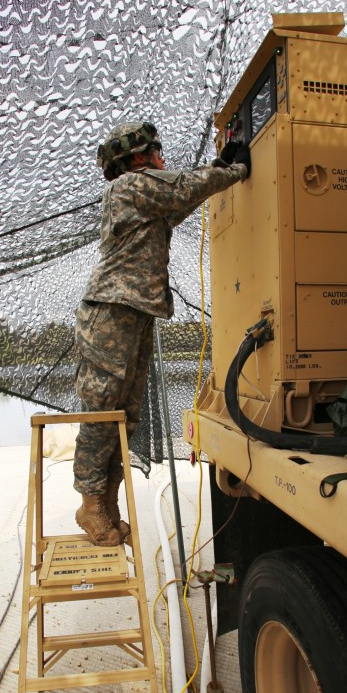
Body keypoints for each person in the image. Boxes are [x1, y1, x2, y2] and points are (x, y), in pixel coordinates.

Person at [73, 119, 251, 546]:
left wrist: (217, 167)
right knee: (102, 410)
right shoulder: (129, 186)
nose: (162, 158)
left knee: (125, 413)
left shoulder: (143, 198)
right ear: (137, 158)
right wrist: (233, 170)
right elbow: (179, 190)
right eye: (156, 152)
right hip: (112, 312)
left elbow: (179, 203)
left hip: (134, 313)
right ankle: (91, 502)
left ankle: (109, 501)